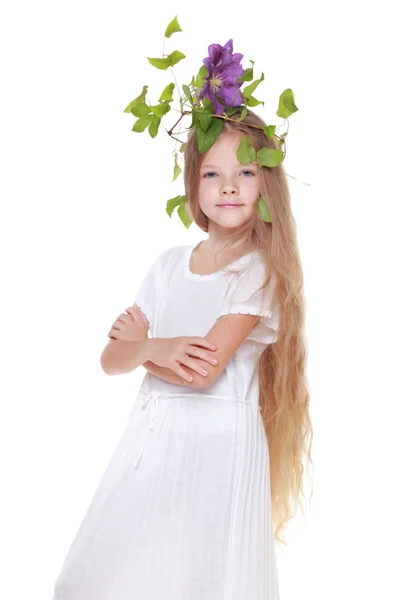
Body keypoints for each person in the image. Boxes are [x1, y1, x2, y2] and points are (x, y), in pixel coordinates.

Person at [52, 35, 313, 600]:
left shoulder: (259, 273)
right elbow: (110, 359)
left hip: (217, 445)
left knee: (200, 578)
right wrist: (150, 350)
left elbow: (203, 369)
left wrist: (149, 346)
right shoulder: (169, 265)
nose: (228, 188)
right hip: (153, 439)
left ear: (266, 184)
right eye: (212, 175)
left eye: (244, 175)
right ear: (193, 186)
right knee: (98, 579)